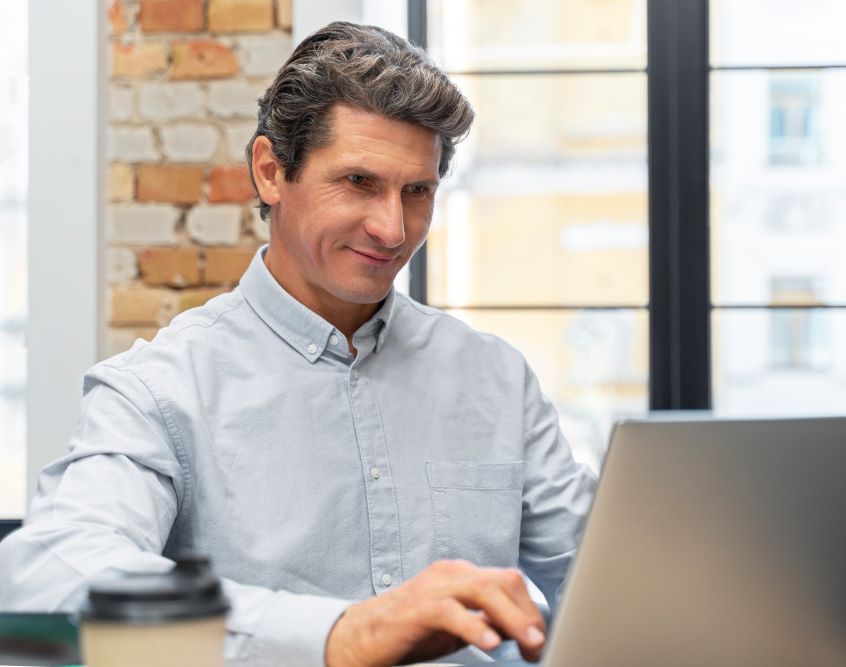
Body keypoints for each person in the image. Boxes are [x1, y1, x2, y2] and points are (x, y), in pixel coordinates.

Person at [0, 21, 596, 667]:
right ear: (270, 171)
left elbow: (612, 573)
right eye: (359, 182)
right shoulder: (159, 391)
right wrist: (340, 634)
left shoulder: (496, 378)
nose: (392, 228)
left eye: (416, 191)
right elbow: (52, 574)